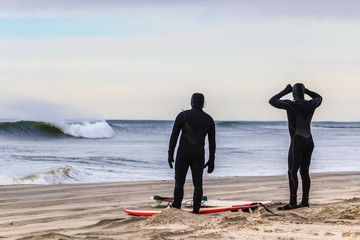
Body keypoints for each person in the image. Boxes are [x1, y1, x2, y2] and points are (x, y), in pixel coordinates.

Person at [269, 83, 322, 210]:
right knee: (305, 172)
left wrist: (284, 91)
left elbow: (272, 101)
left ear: (293, 93)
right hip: (309, 141)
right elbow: (319, 97)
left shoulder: (290, 104)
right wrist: (308, 90)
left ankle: (293, 202)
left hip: (297, 142)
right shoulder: (311, 104)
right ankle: (304, 202)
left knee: (292, 171)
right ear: (303, 93)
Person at [168, 93, 216, 214]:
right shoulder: (209, 119)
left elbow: (173, 137)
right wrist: (211, 160)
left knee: (179, 183)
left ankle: (177, 209)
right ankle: (195, 212)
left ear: (191, 102)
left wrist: (170, 154)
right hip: (199, 155)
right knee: (198, 184)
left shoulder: (182, 115)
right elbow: (212, 143)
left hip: (183, 153)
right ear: (203, 103)